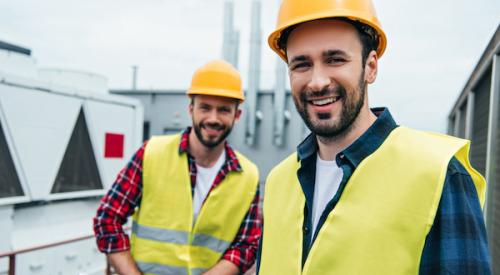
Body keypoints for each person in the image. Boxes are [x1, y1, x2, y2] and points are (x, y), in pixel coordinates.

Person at [257, 0, 491, 274]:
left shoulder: (438, 174)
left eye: (335, 59)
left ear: (371, 67)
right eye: (301, 64)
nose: (318, 81)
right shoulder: (278, 182)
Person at [94, 60, 261, 275]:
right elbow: (107, 220)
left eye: (223, 110)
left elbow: (247, 244)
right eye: (205, 108)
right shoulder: (152, 153)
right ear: (191, 109)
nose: (213, 118)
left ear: (237, 115)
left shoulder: (248, 175)